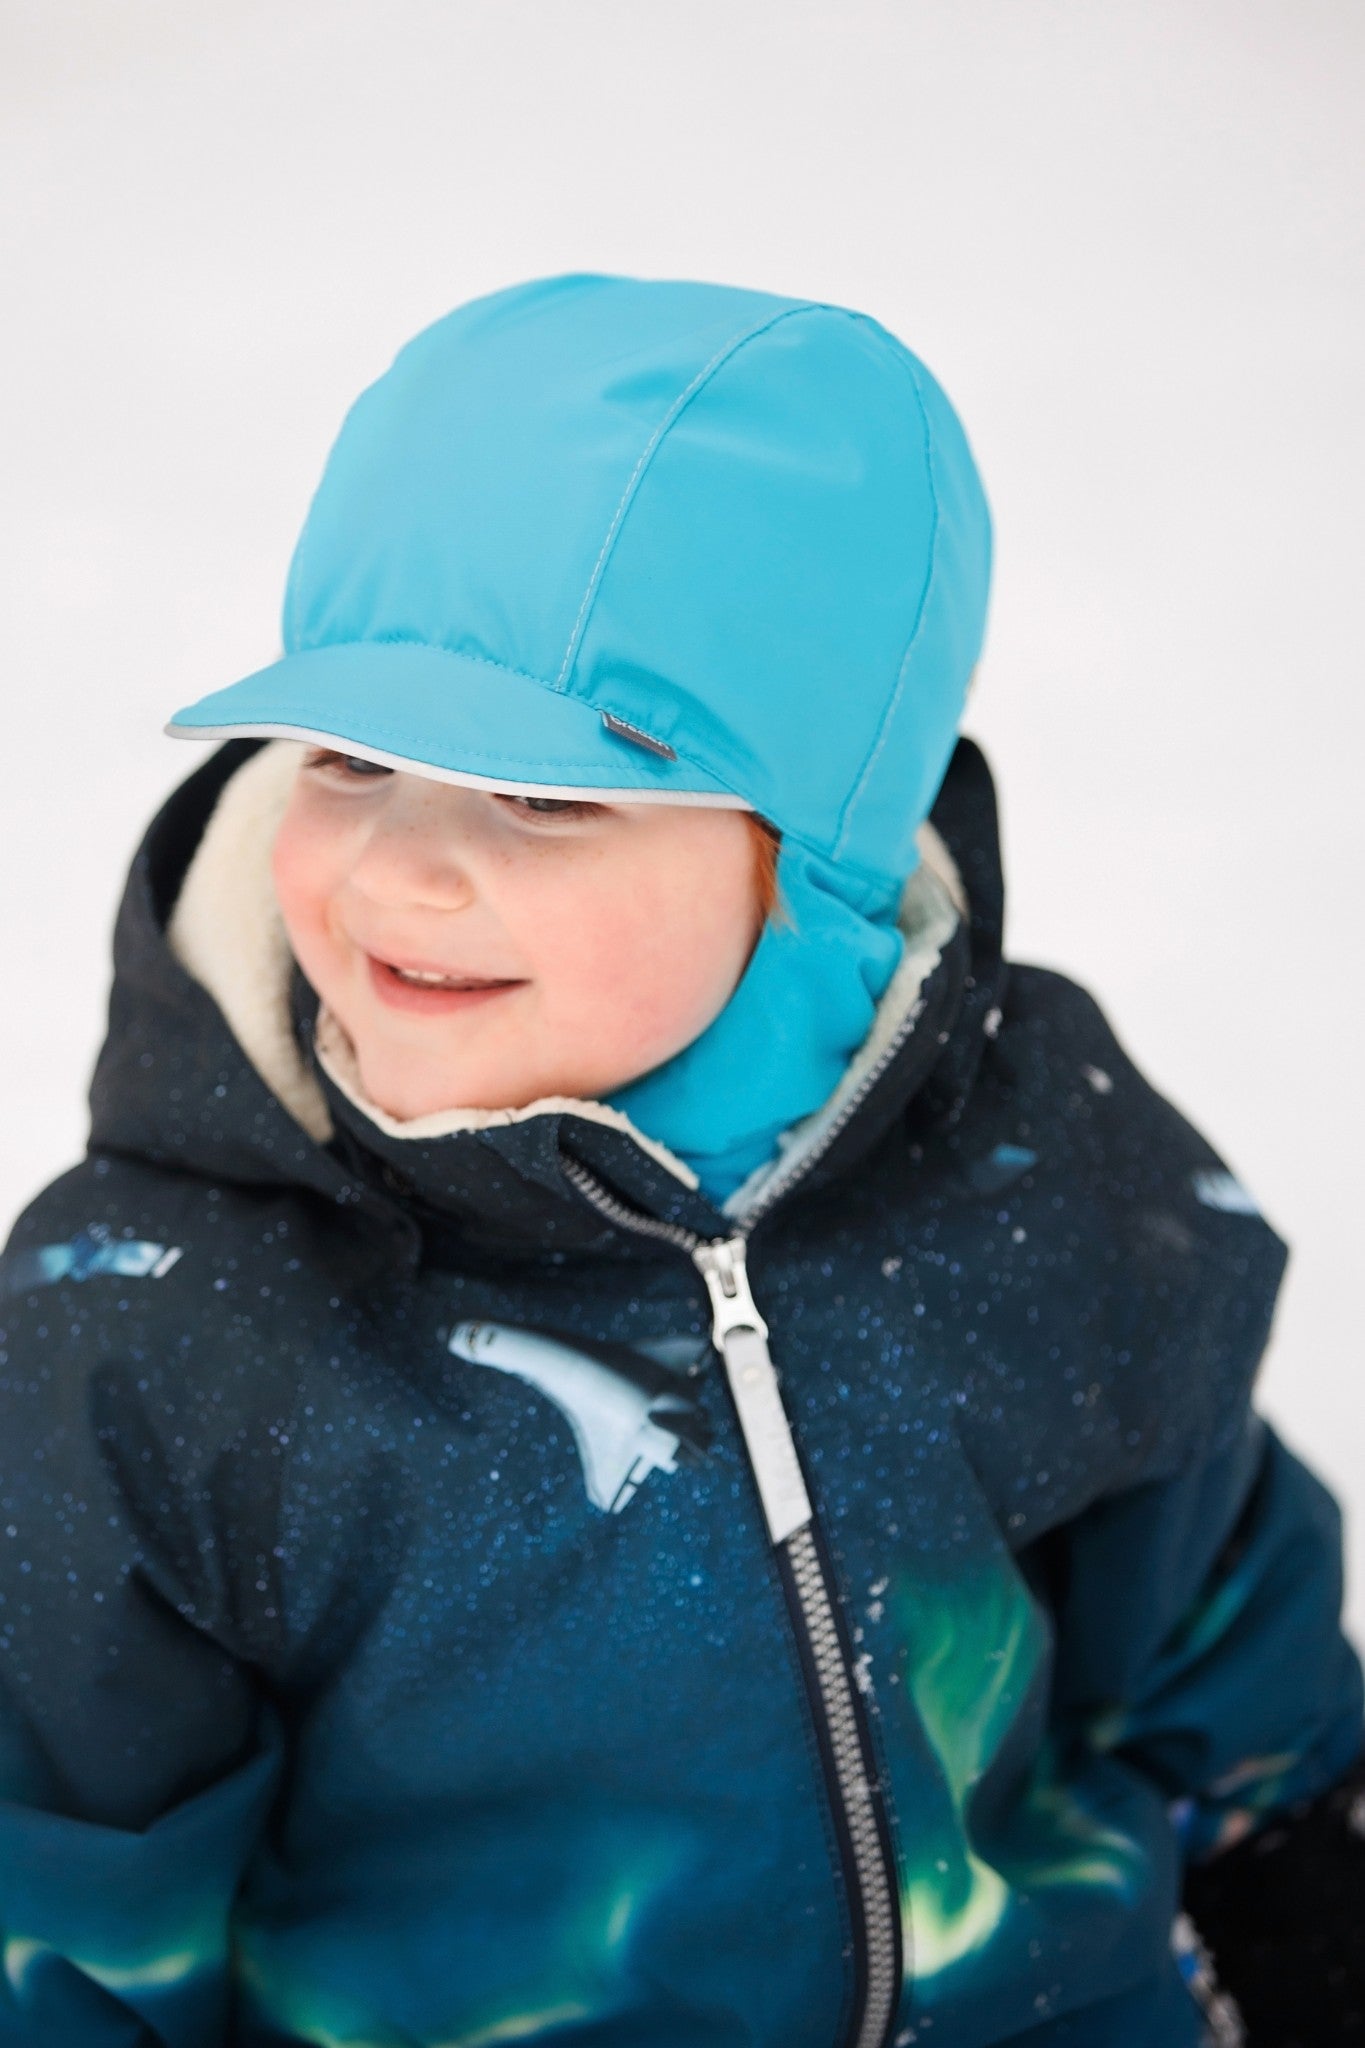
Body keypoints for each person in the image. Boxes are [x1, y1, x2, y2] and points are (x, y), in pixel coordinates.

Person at [0, 272, 1359, 2048]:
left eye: (547, 797)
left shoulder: (1043, 1171)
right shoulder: (161, 1334)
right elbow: (62, 1893)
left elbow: (1204, 1580)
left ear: (812, 854)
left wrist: (1293, 1874)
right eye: (346, 756)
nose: (402, 873)